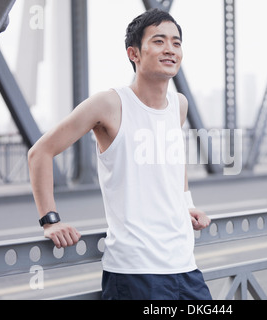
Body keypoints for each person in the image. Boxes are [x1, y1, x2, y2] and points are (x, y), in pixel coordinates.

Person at [28, 8, 213, 300]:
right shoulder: (109, 104)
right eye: (159, 41)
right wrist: (51, 221)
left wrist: (187, 204)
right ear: (134, 53)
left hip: (185, 266)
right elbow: (40, 152)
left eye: (176, 43)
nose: (170, 49)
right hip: (135, 273)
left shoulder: (179, 104)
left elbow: (174, 161)